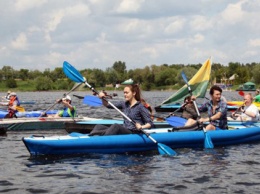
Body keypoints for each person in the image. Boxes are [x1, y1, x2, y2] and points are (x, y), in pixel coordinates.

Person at [89, 84, 154, 136]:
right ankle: (90, 138)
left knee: (116, 126)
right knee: (99, 126)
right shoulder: (124, 104)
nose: (125, 95)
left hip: (133, 132)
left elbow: (150, 123)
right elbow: (108, 105)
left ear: (134, 93)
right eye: (124, 93)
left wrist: (142, 127)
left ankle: (102, 140)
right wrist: (102, 98)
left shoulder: (140, 106)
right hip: (125, 130)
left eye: (127, 93)